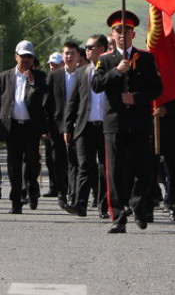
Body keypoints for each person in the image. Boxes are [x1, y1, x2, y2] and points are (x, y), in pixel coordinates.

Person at [92, 10, 162, 234]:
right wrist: (116, 72)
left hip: (139, 122)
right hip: (115, 123)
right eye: (117, 30)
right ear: (112, 35)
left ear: (134, 33)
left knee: (145, 169)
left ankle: (138, 202)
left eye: (126, 30)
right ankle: (118, 216)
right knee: (114, 172)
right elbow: (96, 84)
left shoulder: (146, 58)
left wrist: (136, 98)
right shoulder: (104, 60)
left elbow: (156, 88)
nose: (122, 34)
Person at [0, 40, 49, 215]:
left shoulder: (41, 77)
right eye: (23, 56)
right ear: (16, 56)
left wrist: (34, 84)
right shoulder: (5, 76)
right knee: (13, 166)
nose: (26, 60)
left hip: (31, 128)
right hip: (12, 127)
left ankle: (32, 188)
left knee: (31, 162)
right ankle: (16, 201)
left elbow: (45, 100)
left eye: (29, 57)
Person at [63, 34, 111, 219]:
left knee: (104, 168)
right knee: (84, 165)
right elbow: (73, 102)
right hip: (85, 127)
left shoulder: (112, 70)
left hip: (106, 127)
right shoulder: (82, 72)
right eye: (87, 47)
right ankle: (80, 204)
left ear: (102, 49)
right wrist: (68, 127)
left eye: (91, 47)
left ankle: (103, 206)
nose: (87, 50)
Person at [46, 41, 80, 208]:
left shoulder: (84, 74)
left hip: (79, 124)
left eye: (72, 53)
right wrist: (46, 125)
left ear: (78, 56)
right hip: (57, 124)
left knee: (75, 161)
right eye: (66, 53)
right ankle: (61, 192)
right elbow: (47, 102)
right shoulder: (54, 76)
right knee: (58, 160)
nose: (69, 56)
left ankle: (74, 194)